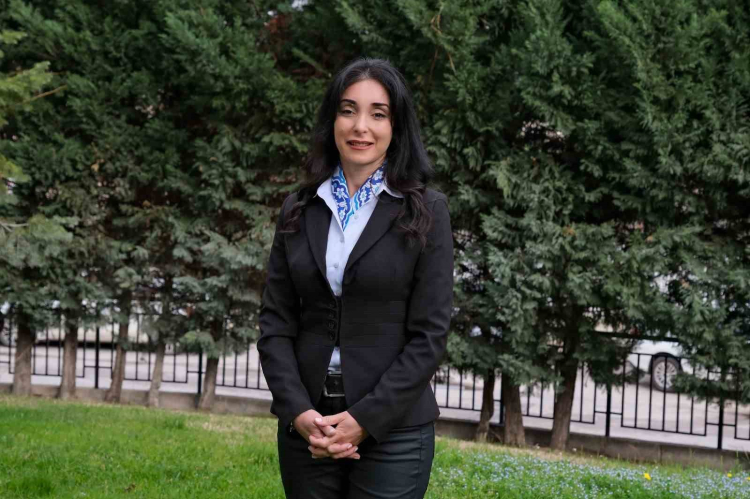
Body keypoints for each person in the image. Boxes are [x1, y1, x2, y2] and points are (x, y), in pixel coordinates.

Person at [257, 57, 453, 499]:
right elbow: (275, 324)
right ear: (332, 120)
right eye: (348, 110)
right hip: (310, 427)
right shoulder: (298, 208)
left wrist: (364, 419)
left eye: (378, 114)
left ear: (396, 126)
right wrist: (298, 411)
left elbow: (429, 335)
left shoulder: (426, 211)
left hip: (393, 430)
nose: (360, 126)